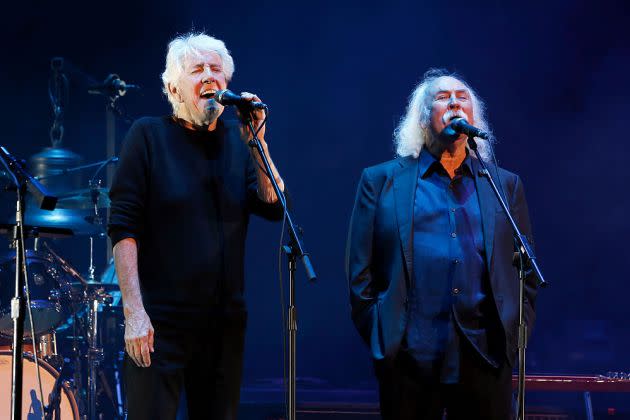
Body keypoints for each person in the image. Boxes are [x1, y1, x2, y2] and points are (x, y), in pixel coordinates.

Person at [108, 32, 286, 420]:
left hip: (224, 323)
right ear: (174, 86)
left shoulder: (241, 141)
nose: (209, 76)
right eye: (197, 69)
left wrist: (259, 139)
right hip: (159, 322)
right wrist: (134, 312)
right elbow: (123, 227)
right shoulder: (148, 135)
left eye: (216, 69)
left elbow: (274, 205)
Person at [346, 69, 537, 419]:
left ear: (474, 117)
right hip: (409, 357)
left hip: (486, 356)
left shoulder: (504, 185)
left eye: (462, 97)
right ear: (421, 117)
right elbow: (361, 272)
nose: (454, 102)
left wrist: (512, 334)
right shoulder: (381, 180)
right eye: (442, 97)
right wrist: (383, 336)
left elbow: (526, 272)